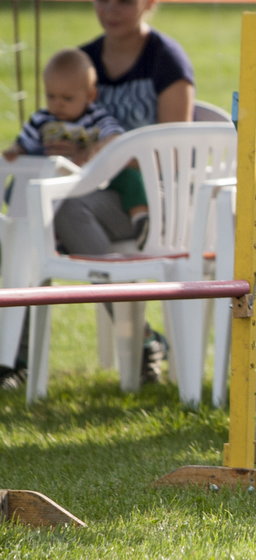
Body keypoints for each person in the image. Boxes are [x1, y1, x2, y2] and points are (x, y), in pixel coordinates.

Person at [0, 0, 195, 389]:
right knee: (23, 219)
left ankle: (136, 338)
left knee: (60, 211)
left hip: (146, 198)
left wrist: (104, 160)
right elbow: (52, 125)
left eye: (124, 0)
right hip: (82, 189)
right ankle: (12, 357)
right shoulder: (81, 60)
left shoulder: (166, 61)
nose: (110, 8)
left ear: (149, 4)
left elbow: (174, 151)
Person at [2, 48, 148, 239]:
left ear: (90, 96)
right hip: (55, 175)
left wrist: (92, 149)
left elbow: (116, 136)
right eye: (51, 96)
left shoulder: (95, 117)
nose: (58, 104)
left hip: (94, 175)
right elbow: (26, 140)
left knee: (130, 177)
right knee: (22, 185)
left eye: (67, 98)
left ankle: (141, 218)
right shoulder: (43, 118)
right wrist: (16, 149)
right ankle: (40, 233)